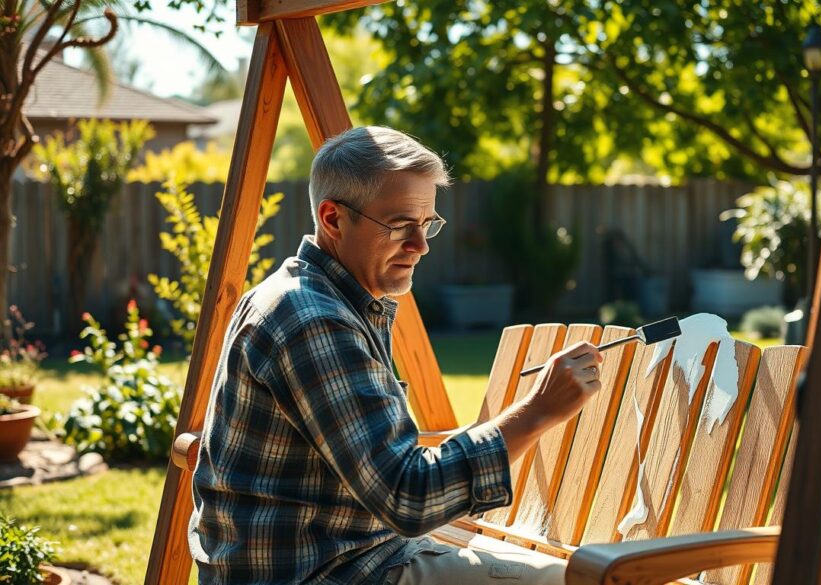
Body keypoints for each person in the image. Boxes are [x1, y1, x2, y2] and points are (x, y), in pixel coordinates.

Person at [188, 126, 604, 584]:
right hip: (327, 572)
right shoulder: (313, 318)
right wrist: (538, 412)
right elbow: (409, 497)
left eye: (427, 225)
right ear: (333, 219)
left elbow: (383, 462)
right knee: (578, 580)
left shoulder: (317, 294)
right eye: (401, 225)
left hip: (339, 553)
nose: (421, 246)